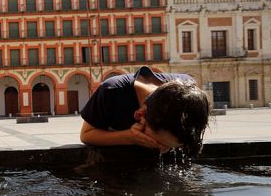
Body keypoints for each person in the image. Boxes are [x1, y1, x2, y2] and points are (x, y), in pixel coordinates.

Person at [79, 66, 210, 156]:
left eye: (174, 147)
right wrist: (129, 137)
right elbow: (86, 135)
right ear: (139, 114)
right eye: (159, 143)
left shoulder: (190, 93)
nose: (163, 151)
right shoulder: (111, 91)